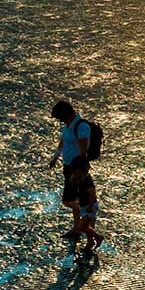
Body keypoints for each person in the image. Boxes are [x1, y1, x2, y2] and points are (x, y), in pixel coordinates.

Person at [48, 101, 92, 240]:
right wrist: (55, 158)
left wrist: (79, 171)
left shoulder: (81, 126)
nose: (59, 120)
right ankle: (77, 228)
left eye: (60, 117)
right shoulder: (68, 126)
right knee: (74, 199)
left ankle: (84, 224)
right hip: (68, 167)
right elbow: (63, 142)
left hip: (76, 169)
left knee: (68, 200)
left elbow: (83, 149)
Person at [69, 155, 103, 252]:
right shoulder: (82, 178)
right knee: (87, 226)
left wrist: (90, 206)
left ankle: (98, 237)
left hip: (89, 206)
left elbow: (92, 194)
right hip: (84, 205)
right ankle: (90, 242)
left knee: (81, 227)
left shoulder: (87, 180)